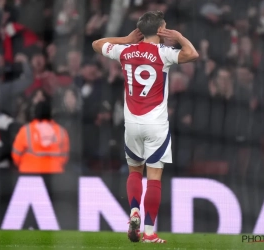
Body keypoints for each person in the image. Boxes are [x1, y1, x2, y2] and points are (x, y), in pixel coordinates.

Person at [92, 11, 198, 243]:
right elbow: (193, 54)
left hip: (132, 123)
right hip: (156, 123)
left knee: (134, 171)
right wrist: (179, 36)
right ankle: (148, 232)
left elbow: (96, 44)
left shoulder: (125, 51)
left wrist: (126, 40)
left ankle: (133, 212)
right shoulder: (164, 53)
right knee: (154, 178)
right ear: (161, 30)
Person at [12, 100, 69, 174]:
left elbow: (16, 155)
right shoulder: (62, 131)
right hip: (55, 174)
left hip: (29, 174)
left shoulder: (26, 130)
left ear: (35, 112)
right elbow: (64, 157)